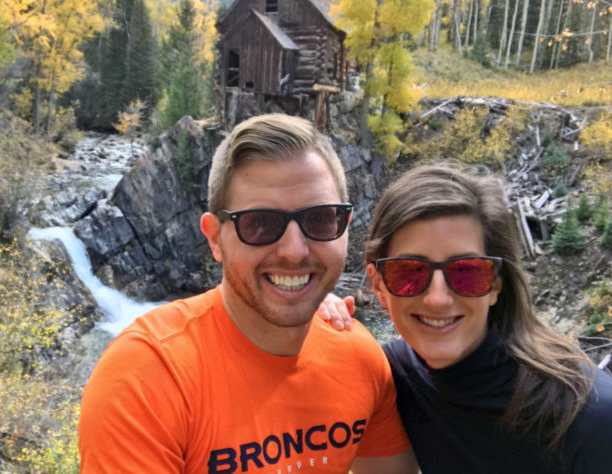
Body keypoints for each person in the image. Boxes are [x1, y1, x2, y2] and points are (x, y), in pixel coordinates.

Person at [78, 114, 418, 473]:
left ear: (345, 226)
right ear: (215, 238)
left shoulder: (361, 360)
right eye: (260, 224)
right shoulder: (146, 378)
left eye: (319, 219)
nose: (294, 251)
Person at [321, 164, 612, 473]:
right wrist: (306, 315)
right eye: (410, 271)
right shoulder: (389, 378)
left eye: (466, 272)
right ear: (379, 286)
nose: (438, 298)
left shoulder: (587, 416)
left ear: (495, 285)